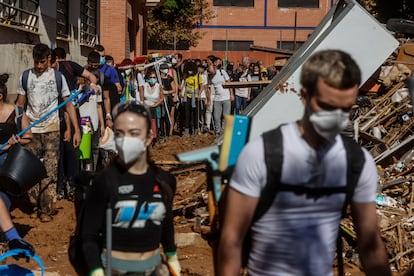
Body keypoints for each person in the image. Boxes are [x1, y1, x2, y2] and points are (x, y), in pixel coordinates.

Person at [217, 50, 391, 276]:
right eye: (327, 106)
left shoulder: (356, 161)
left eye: (345, 109)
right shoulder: (263, 153)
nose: (335, 116)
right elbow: (231, 241)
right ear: (305, 96)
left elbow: (370, 245)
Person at [79, 101, 181, 276]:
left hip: (154, 268)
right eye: (120, 134)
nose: (126, 140)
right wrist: (96, 271)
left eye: (134, 133)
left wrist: (172, 258)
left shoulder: (164, 181)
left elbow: (166, 224)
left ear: (149, 137)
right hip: (116, 270)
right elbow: (88, 237)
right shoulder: (104, 182)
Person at [16, 43, 81, 222]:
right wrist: (20, 127)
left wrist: (75, 130)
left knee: (50, 170)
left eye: (42, 62)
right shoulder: (26, 76)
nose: (39, 66)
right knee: (29, 169)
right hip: (30, 131)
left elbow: (68, 104)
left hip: (52, 129)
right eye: (36, 62)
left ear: (50, 59)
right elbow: (20, 105)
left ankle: (45, 209)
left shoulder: (58, 77)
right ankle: (34, 200)